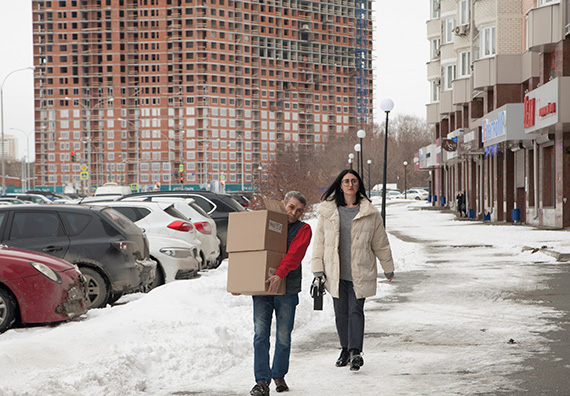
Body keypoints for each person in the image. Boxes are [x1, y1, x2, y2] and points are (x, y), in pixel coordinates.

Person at [311, 169, 394, 371]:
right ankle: (345, 348)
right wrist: (317, 269)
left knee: (356, 310)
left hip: (360, 271)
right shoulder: (328, 212)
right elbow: (319, 242)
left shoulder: (370, 213)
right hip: (335, 271)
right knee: (341, 313)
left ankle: (356, 352)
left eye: (354, 181)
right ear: (340, 185)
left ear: (359, 185)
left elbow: (380, 243)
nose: (350, 185)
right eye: (346, 181)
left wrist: (388, 268)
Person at [250, 191, 312, 396]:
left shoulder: (304, 230)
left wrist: (279, 275)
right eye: (291, 207)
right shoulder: (266, 222)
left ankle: (278, 374)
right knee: (260, 335)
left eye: (300, 210)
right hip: (263, 287)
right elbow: (249, 249)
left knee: (283, 336)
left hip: (287, 288)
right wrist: (242, 281)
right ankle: (261, 382)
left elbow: (294, 256)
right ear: (283, 204)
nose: (294, 213)